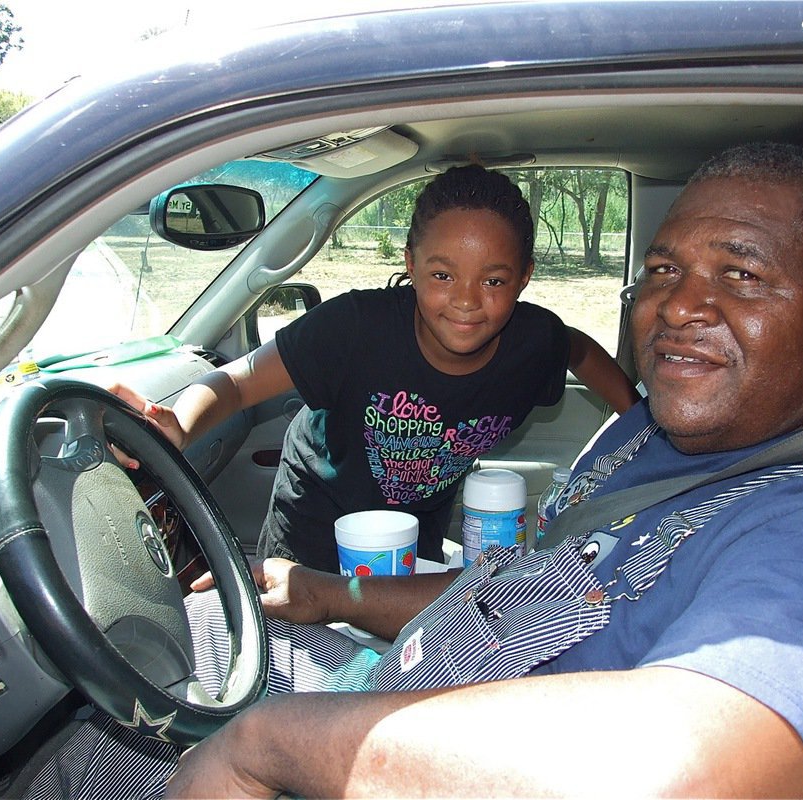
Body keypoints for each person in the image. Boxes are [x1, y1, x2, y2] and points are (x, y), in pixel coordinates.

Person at [156, 142, 803, 799]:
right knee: (180, 640)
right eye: (664, 272)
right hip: (409, 670)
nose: (680, 307)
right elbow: (512, 593)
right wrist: (329, 594)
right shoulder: (653, 434)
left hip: (419, 758)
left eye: (741, 275)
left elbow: (705, 774)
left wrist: (267, 746)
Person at [112, 164, 640, 573]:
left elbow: (582, 353)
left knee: (394, 657)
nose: (466, 302)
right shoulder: (354, 327)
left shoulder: (533, 341)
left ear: (524, 278)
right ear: (410, 264)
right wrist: (179, 425)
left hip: (418, 524)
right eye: (441, 274)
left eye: (494, 281)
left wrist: (641, 425)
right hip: (318, 517)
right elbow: (237, 381)